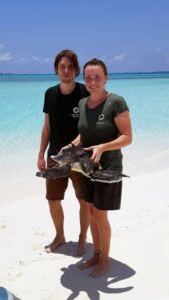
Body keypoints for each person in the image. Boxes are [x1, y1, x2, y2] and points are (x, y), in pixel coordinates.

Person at [64, 58, 132, 277]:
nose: (93, 82)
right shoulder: (83, 103)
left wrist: (103, 147)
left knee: (100, 216)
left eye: (97, 78)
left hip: (108, 168)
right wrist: (71, 145)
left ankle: (104, 261)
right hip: (87, 167)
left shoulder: (116, 102)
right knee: (92, 212)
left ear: (106, 78)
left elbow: (127, 138)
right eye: (88, 78)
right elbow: (85, 133)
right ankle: (96, 254)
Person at [37, 49, 90, 256]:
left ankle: (82, 237)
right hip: (56, 157)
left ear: (76, 70)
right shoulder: (50, 93)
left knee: (83, 200)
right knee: (53, 199)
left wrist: (76, 146)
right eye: (62, 67)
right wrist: (41, 153)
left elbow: (90, 128)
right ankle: (59, 236)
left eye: (70, 67)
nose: (66, 70)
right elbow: (47, 127)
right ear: (56, 70)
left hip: (79, 157)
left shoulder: (85, 92)